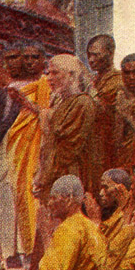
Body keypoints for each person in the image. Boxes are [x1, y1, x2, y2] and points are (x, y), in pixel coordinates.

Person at [0, 44, 50, 265]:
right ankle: (8, 251)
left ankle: (29, 249)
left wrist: (21, 99)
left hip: (31, 143)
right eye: (16, 58)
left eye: (33, 57)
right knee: (4, 195)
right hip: (6, 144)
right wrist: (0, 87)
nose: (25, 62)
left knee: (25, 193)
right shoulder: (6, 85)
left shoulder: (44, 84)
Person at [35, 54, 98, 197]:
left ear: (71, 74)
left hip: (71, 177)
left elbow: (68, 149)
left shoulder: (82, 103)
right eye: (48, 73)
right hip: (53, 176)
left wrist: (44, 178)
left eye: (55, 73)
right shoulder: (59, 103)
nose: (49, 78)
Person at [86, 34, 123, 173]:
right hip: (91, 145)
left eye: (96, 55)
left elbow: (102, 110)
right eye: (89, 55)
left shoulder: (119, 80)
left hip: (109, 146)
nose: (91, 60)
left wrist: (90, 89)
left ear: (110, 53)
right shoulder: (95, 80)